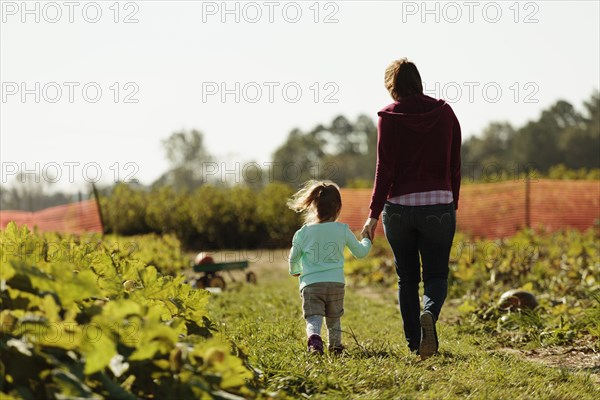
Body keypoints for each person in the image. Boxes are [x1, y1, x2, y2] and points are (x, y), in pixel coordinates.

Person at [361, 58, 461, 360]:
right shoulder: (444, 113)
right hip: (439, 207)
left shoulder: (388, 118)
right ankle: (429, 312)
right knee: (436, 276)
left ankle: (415, 344)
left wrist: (372, 215)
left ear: (392, 86)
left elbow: (384, 170)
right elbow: (455, 164)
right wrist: (451, 203)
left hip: (399, 209)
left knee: (407, 278)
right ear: (419, 81)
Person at [288, 180, 372, 355]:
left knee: (313, 318)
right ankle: (335, 347)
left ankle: (314, 340)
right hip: (335, 283)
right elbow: (361, 252)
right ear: (338, 207)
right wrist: (367, 239)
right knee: (334, 319)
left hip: (311, 285)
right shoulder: (342, 229)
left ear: (313, 206)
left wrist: (295, 270)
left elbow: (293, 256)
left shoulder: (303, 232)